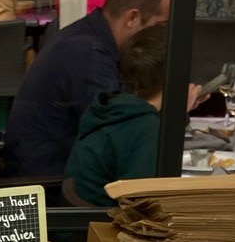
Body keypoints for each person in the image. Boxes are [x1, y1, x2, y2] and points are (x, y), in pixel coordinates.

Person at [2, 0, 170, 179]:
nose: (163, 35)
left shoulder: (90, 37)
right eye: (161, 25)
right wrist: (168, 105)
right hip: (50, 186)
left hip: (58, 171)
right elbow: (120, 132)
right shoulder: (86, 53)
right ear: (132, 18)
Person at [62, 23, 184, 205]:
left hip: (82, 223)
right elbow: (145, 204)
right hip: (104, 227)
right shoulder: (145, 127)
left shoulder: (113, 106)